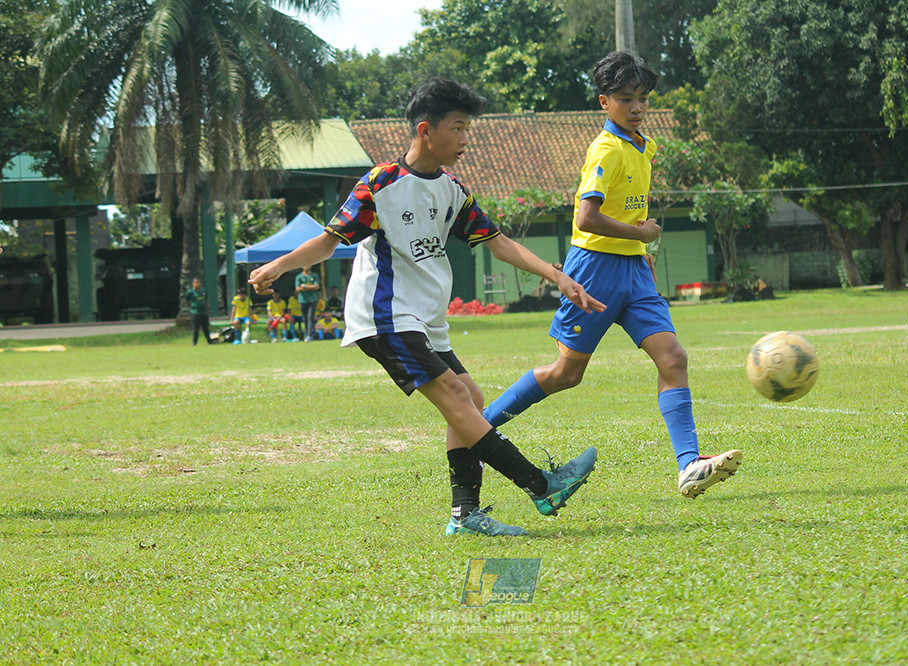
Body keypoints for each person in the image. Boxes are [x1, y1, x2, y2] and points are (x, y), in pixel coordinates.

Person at [249, 78, 606, 537]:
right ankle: (541, 485)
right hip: (385, 315)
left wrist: (557, 276)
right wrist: (275, 266)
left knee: (471, 401)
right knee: (460, 399)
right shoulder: (381, 184)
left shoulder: (453, 189)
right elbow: (327, 241)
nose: (464, 140)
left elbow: (499, 244)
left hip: (425, 319)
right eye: (457, 129)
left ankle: (465, 515)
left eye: (467, 129)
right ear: (425, 130)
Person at [483, 51, 742, 500]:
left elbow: (630, 206)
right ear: (605, 102)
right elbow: (586, 217)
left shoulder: (645, 145)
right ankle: (478, 428)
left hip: (634, 270)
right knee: (567, 374)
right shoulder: (605, 148)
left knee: (673, 358)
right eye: (626, 99)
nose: (637, 107)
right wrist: (639, 233)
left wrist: (642, 247)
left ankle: (689, 465)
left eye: (643, 98)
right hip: (595, 269)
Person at [183, 277, 214, 345]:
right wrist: (192, 306)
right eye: (196, 282)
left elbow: (206, 300)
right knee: (195, 328)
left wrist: (208, 308)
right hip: (195, 313)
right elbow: (186, 300)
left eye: (199, 282)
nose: (198, 284)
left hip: (203, 312)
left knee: (206, 328)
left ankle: (209, 341)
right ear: (193, 284)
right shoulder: (190, 292)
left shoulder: (203, 291)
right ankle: (194, 342)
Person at [295, 265, 321, 341]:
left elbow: (316, 287)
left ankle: (309, 335)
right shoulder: (299, 277)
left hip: (313, 300)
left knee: (310, 317)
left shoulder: (314, 275)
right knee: (305, 317)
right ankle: (307, 333)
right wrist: (310, 287)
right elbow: (298, 289)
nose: (307, 266)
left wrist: (305, 287)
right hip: (302, 300)